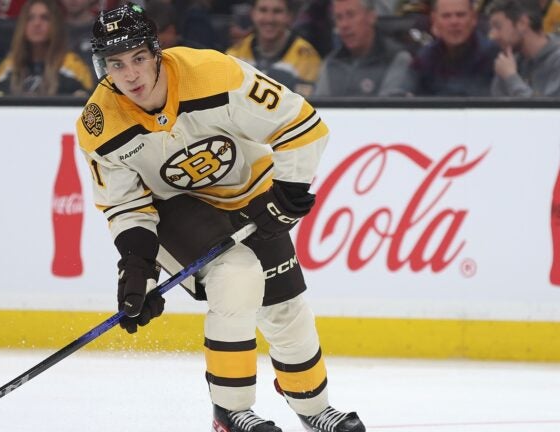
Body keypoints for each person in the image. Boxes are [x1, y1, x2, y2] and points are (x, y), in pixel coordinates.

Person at [75, 3, 366, 432]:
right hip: (175, 207)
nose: (131, 74)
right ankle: (230, 412)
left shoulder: (214, 73)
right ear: (102, 67)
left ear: (157, 52)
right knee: (237, 274)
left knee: (286, 307)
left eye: (138, 58)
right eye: (116, 64)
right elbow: (125, 207)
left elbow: (302, 125)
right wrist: (138, 270)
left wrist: (286, 194)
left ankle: (313, 406)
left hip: (252, 194)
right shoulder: (99, 125)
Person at [0, 0, 92, 96]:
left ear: (55, 25)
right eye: (30, 18)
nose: (37, 24)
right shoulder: (10, 65)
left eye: (45, 18)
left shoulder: (73, 65)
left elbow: (88, 104)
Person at [314, 0, 414, 96]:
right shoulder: (331, 64)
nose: (344, 25)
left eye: (351, 15)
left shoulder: (397, 59)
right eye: (339, 18)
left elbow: (389, 110)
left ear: (371, 16)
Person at [226, 0, 321, 96]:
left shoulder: (306, 56)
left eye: (277, 11)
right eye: (263, 10)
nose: (269, 19)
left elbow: (306, 102)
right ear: (253, 14)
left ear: (290, 16)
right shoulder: (235, 54)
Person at [410, 0, 499, 96]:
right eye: (446, 16)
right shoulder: (425, 58)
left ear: (474, 18)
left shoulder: (493, 55)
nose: (454, 22)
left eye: (460, 15)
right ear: (434, 21)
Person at [487, 0, 560, 96]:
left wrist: (511, 78)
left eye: (498, 26)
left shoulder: (556, 61)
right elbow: (495, 107)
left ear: (522, 23)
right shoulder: (510, 61)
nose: (492, 36)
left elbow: (546, 110)